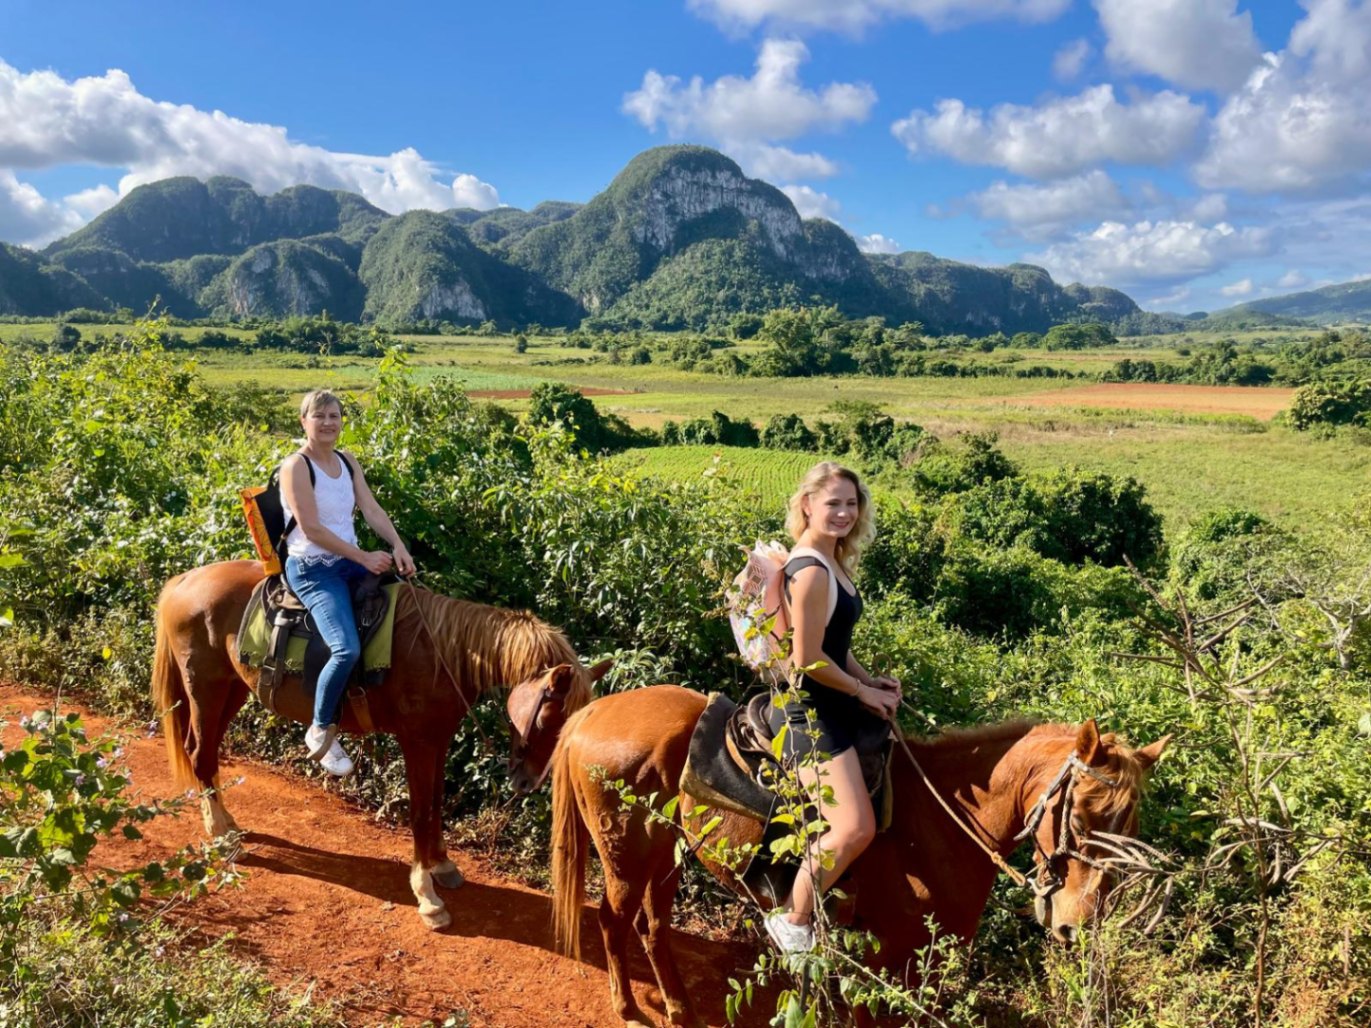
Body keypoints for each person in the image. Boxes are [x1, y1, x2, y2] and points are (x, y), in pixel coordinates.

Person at [763, 461, 902, 954]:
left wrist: (871, 681)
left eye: (851, 503)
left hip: (833, 696)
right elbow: (805, 660)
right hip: (809, 711)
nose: (844, 513)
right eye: (832, 503)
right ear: (806, 505)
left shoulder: (833, 562)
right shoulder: (811, 571)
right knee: (853, 826)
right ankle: (793, 922)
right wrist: (861, 693)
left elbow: (833, 646)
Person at [279, 389, 415, 776]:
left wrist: (397, 545)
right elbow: (312, 529)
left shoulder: (346, 461)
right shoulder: (296, 466)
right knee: (345, 649)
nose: (327, 423)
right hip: (313, 568)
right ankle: (320, 727)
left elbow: (371, 509)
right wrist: (364, 557)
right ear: (303, 422)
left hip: (348, 561)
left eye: (334, 416)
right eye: (318, 416)